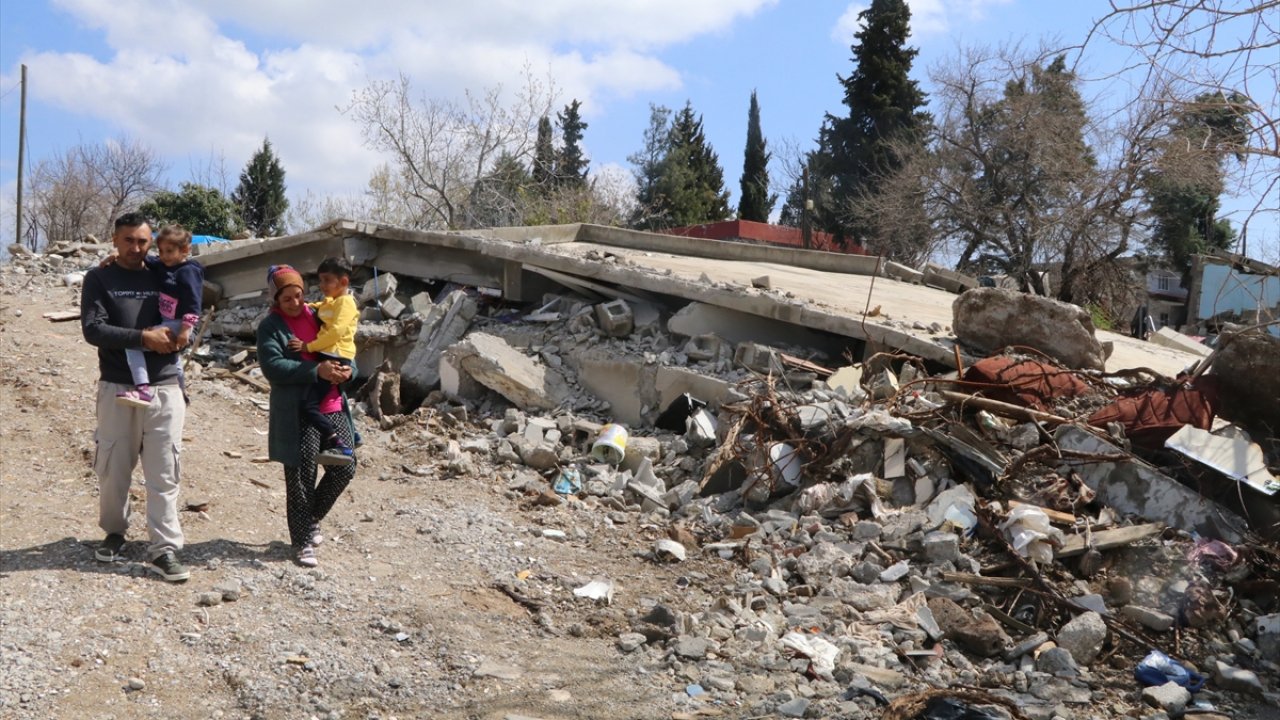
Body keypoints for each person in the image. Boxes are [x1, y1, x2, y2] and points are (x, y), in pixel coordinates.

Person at [81, 212, 190, 582]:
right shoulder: (100, 277)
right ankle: (114, 532)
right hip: (117, 386)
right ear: (114, 240)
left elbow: (195, 282)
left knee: (164, 471)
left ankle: (165, 548)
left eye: (143, 241)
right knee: (113, 469)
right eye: (128, 240)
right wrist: (143, 338)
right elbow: (93, 329)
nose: (136, 248)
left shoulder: (164, 271)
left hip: (165, 386)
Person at [258, 264, 358, 567]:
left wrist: (347, 372)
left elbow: (344, 349)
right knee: (301, 476)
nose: (295, 303)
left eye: (298, 296)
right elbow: (273, 367)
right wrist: (316, 370)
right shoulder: (270, 327)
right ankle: (301, 542)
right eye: (287, 298)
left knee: (345, 467)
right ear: (276, 299)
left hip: (331, 404)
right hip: (298, 410)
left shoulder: (319, 316)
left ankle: (311, 517)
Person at [116, 224, 204, 407]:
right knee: (173, 359)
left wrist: (185, 330)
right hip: (167, 320)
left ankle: (142, 389)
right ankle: (181, 393)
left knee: (133, 344)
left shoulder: (189, 271)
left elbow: (193, 302)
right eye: (161, 251)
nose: (164, 256)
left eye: (169, 251)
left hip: (179, 322)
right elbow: (148, 260)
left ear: (185, 250)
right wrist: (115, 257)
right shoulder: (164, 265)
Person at [287, 256, 358, 465]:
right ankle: (352, 435)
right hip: (331, 355)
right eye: (321, 280)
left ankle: (338, 442)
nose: (322, 285)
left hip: (335, 357)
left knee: (309, 406)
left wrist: (308, 346)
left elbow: (335, 332)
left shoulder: (346, 303)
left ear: (343, 282)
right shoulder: (333, 301)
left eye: (327, 280)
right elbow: (322, 307)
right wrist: (307, 306)